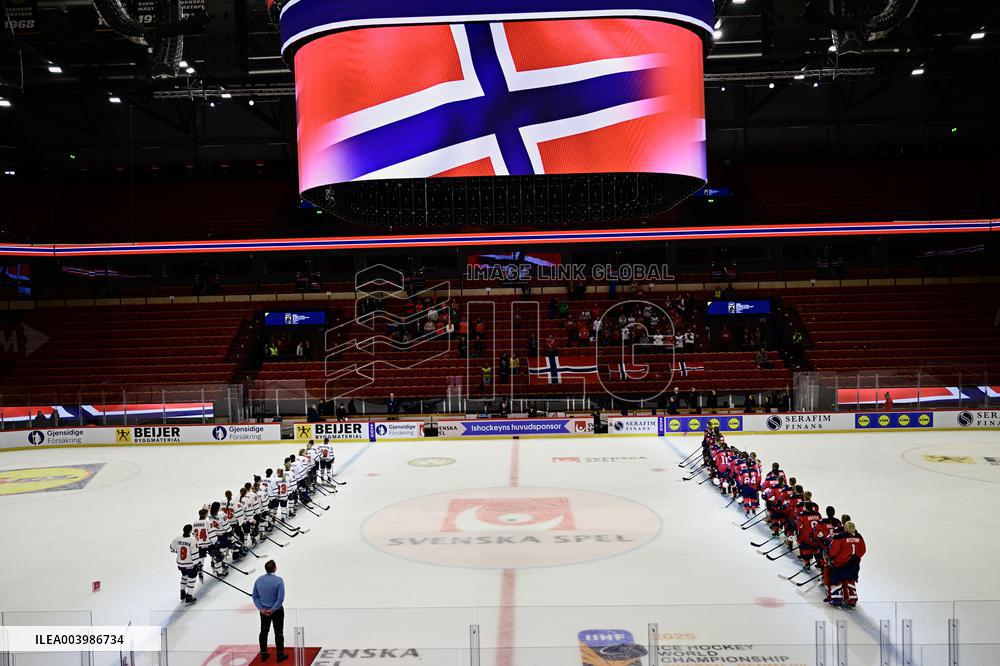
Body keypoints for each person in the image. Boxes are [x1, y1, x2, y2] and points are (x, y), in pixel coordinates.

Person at [252, 560, 287, 662]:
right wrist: (272, 609)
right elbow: (280, 599)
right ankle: (280, 655)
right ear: (275, 568)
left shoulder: (258, 580)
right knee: (279, 632)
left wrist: (261, 609)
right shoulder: (279, 581)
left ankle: (264, 654)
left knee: (263, 632)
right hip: (277, 611)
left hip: (264, 612)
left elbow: (255, 597)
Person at [826, 522, 866, 607]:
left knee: (836, 581)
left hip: (840, 564)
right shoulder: (859, 537)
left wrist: (832, 558)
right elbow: (863, 550)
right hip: (855, 564)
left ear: (845, 528)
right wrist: (856, 557)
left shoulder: (839, 537)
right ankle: (852, 600)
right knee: (851, 580)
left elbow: (833, 552)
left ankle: (836, 600)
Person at [170, 524, 200, 604]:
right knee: (192, 579)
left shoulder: (177, 539)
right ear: (190, 531)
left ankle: (182, 593)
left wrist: (178, 550)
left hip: (180, 564)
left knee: (184, 576)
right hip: (189, 564)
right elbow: (195, 554)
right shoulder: (192, 540)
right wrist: (197, 564)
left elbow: (172, 549)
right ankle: (189, 596)